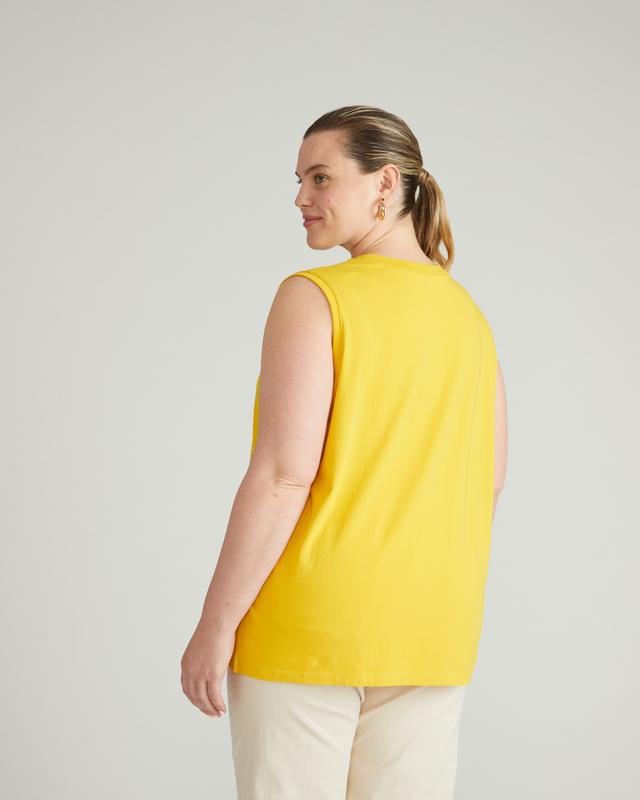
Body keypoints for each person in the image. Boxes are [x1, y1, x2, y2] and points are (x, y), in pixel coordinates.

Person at [181, 104, 508, 799]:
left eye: (320, 177)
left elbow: (282, 477)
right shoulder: (467, 315)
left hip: (310, 627)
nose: (301, 197)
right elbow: (487, 481)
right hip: (432, 632)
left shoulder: (314, 297)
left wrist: (215, 625)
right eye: (300, 180)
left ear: (384, 182)